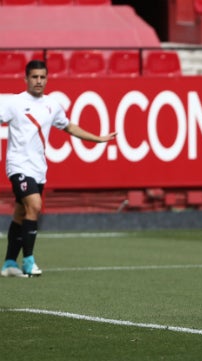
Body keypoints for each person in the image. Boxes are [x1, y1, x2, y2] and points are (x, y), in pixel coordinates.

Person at [0, 60, 117, 278]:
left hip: (38, 169)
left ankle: (8, 263)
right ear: (26, 79)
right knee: (34, 205)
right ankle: (28, 261)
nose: (38, 81)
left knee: (20, 213)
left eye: (42, 77)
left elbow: (69, 127)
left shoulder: (52, 105)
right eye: (34, 77)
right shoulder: (13, 103)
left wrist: (97, 138)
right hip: (18, 166)